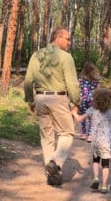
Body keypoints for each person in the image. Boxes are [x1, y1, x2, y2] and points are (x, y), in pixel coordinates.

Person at [23, 26, 80, 187]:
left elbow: (28, 81)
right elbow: (72, 84)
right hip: (58, 98)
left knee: (47, 137)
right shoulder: (66, 57)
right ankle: (56, 162)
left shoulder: (37, 55)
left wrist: (30, 101)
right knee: (67, 133)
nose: (70, 42)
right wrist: (76, 102)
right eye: (67, 39)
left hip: (40, 98)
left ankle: (52, 174)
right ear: (57, 38)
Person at [85, 86, 111, 193]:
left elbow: (79, 119)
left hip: (95, 140)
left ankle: (96, 178)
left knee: (96, 160)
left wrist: (73, 112)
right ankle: (104, 185)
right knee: (106, 164)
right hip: (106, 141)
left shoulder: (91, 110)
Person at [77, 60, 100, 139]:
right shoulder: (96, 79)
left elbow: (78, 87)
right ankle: (90, 134)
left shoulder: (81, 78)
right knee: (91, 117)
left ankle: (83, 134)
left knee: (83, 116)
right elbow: (98, 89)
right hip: (92, 100)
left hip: (82, 100)